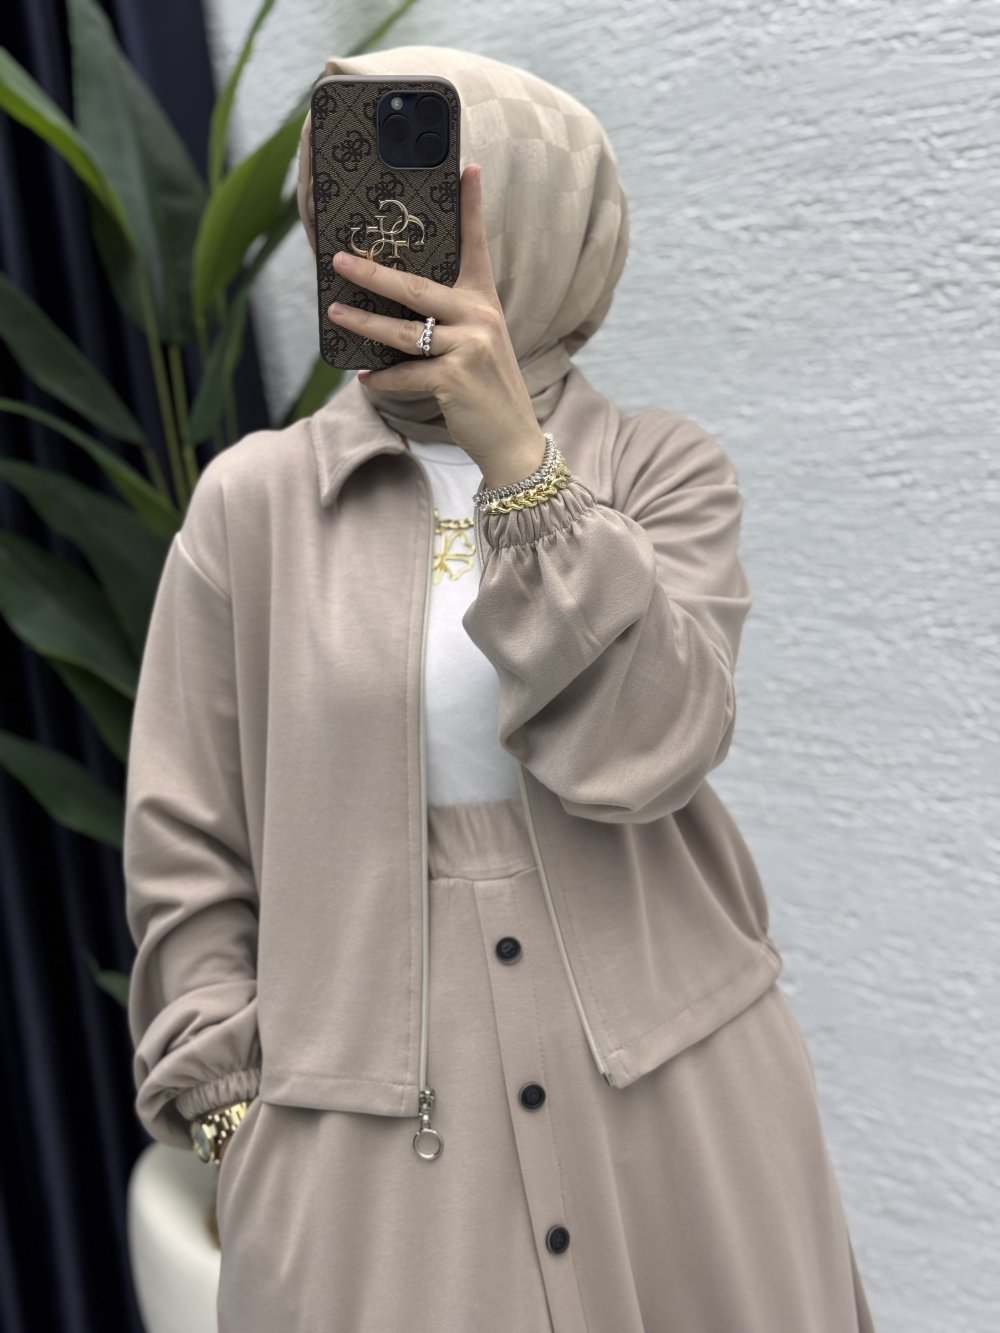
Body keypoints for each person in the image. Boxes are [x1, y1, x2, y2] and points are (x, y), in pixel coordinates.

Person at [124, 44, 877, 1333]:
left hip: (682, 1114)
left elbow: (654, 745)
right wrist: (235, 1119)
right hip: (370, 1156)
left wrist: (518, 464)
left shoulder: (659, 472)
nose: (382, 245)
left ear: (540, 229)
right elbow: (186, 844)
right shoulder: (252, 508)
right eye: (345, 202)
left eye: (439, 210)